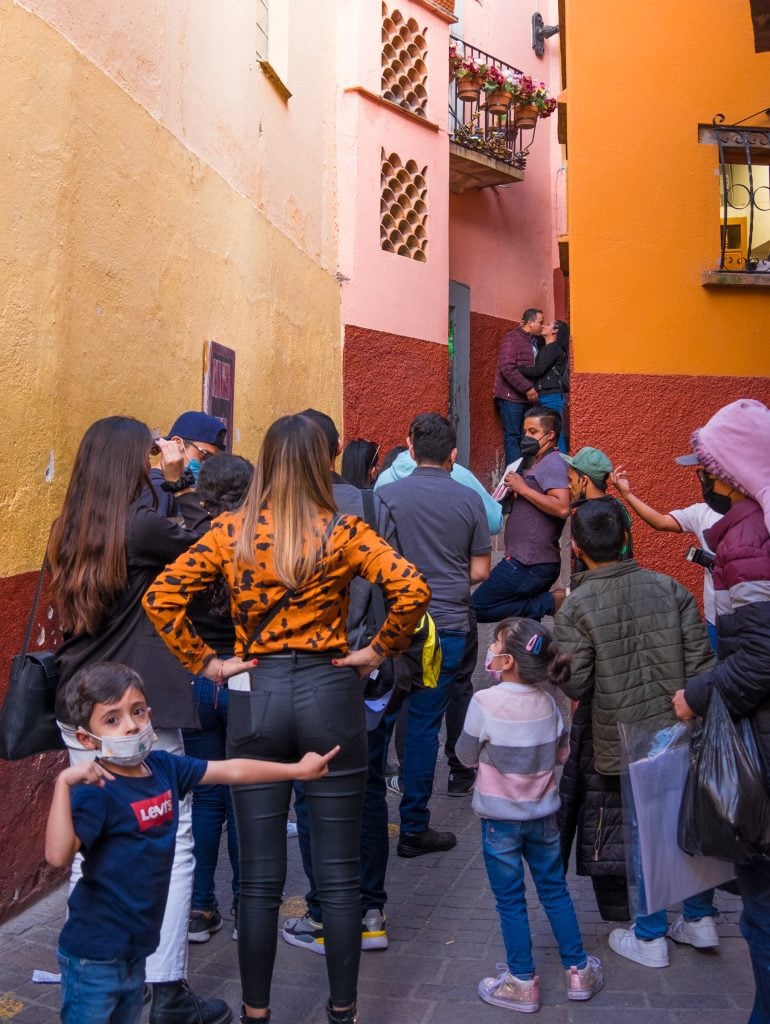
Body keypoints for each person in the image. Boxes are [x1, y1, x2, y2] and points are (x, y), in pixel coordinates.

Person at [143, 413, 431, 1024]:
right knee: (338, 871)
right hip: (331, 690)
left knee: (258, 879)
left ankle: (257, 1013)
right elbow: (411, 589)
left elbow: (161, 597)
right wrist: (377, 651)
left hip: (257, 692)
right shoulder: (345, 529)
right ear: (320, 462)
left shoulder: (231, 531)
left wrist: (210, 663)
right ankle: (342, 1011)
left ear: (269, 461)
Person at [49, 415, 230, 1024]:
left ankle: (92, 967)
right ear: (133, 460)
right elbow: (205, 547)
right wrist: (174, 478)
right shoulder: (145, 524)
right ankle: (167, 985)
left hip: (81, 706)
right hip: (134, 706)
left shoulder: (68, 527)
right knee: (171, 839)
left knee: (88, 841)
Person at [47, 661, 336, 1024]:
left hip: (136, 948)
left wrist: (296, 771)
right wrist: (63, 784)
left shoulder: (164, 768)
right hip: (95, 954)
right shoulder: (97, 790)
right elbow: (58, 854)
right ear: (88, 739)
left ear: (150, 713)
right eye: (112, 719)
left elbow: (230, 769)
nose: (131, 725)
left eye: (137, 711)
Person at [553, 500, 717, 969]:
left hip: (622, 735)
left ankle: (650, 934)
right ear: (625, 539)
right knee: (688, 823)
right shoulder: (672, 588)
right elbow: (702, 666)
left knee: (646, 829)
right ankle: (700, 916)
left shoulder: (577, 605)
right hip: (683, 727)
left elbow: (578, 683)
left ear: (577, 548)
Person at [281, 409, 398, 956]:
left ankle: (329, 911)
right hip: (360, 669)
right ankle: (369, 909)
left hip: (303, 672)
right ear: (335, 450)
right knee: (367, 788)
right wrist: (375, 653)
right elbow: (401, 589)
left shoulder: (272, 515)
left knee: (312, 792)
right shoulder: (371, 504)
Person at [671, 399, 770, 1024]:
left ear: (728, 472)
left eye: (707, 467)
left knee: (762, 908)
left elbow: (761, 656)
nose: (703, 478)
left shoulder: (751, 534)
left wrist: (697, 694)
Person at [457, 617, 603, 1012]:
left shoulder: (484, 702)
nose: (490, 650)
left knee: (510, 901)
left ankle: (521, 980)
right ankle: (578, 970)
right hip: (543, 817)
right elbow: (561, 754)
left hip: (498, 821)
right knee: (554, 890)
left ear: (507, 662)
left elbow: (465, 756)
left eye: (496, 644)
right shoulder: (550, 702)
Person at [377, 413, 491, 853]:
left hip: (392, 626)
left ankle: (368, 822)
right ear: (454, 455)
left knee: (380, 723)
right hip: (446, 625)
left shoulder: (384, 496)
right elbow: (481, 568)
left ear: (410, 449)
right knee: (426, 727)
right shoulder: (468, 499)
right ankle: (414, 826)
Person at [177, 454, 254, 944]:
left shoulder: (184, 533)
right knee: (249, 793)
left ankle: (201, 907)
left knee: (206, 795)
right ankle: (250, 905)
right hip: (248, 672)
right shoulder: (258, 537)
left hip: (200, 672)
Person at [473, 405, 569, 624]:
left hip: (528, 562)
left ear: (550, 435)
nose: (526, 437)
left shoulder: (553, 463)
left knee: (477, 607)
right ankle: (533, 655)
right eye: (525, 431)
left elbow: (562, 507)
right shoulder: (536, 462)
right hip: (529, 560)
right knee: (528, 626)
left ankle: (551, 602)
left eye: (533, 432)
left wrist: (523, 489)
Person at [610, 463, 721, 649]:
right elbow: (661, 522)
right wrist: (627, 494)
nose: (705, 480)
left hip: (751, 618)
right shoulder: (702, 513)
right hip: (714, 618)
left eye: (709, 474)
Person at [375, 446, 503, 535]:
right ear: (452, 453)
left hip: (396, 566)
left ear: (411, 446)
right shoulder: (460, 475)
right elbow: (494, 522)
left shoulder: (384, 479)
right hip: (450, 566)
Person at [493, 308, 545, 464]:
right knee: (513, 437)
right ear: (530, 322)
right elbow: (507, 367)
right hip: (510, 397)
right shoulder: (512, 339)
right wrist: (527, 388)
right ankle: (514, 479)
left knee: (525, 437)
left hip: (525, 399)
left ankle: (523, 476)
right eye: (540, 323)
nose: (542, 326)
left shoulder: (534, 341)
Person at [517, 319, 570, 453]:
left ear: (555, 330)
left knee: (555, 432)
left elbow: (538, 370)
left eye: (547, 325)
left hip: (551, 395)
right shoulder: (549, 348)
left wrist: (517, 368)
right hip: (550, 395)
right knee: (551, 431)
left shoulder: (553, 348)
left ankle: (560, 466)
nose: (543, 326)